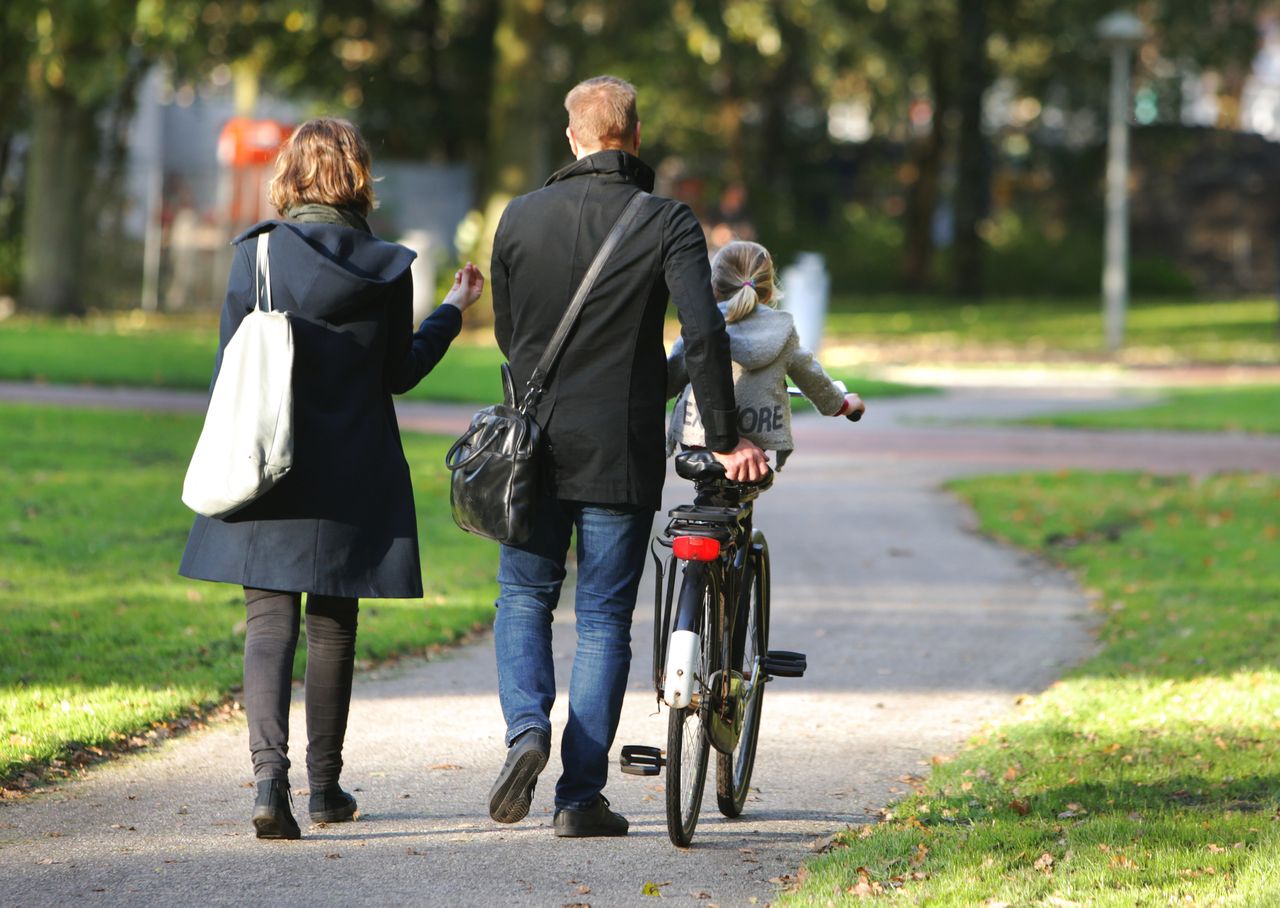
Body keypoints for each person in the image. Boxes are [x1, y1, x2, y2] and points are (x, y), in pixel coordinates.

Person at [178, 118, 483, 840]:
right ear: (357, 175)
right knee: (334, 623)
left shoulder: (256, 254)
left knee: (267, 620)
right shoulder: (384, 264)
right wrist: (451, 311)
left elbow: (232, 367)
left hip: (266, 459)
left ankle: (266, 781)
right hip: (352, 464)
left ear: (292, 173)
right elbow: (399, 372)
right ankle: (324, 788)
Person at [487, 75, 767, 838]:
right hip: (620, 445)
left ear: (573, 138)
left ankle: (526, 733)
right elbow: (704, 335)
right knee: (604, 615)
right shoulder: (666, 219)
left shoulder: (517, 217)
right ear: (635, 136)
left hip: (532, 447)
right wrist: (726, 433)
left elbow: (512, 341)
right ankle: (579, 799)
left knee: (523, 596)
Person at [667, 240, 865, 464]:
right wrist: (843, 404)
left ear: (713, 288)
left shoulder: (702, 326)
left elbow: (670, 379)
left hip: (697, 436)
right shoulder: (782, 331)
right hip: (758, 435)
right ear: (769, 292)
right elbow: (812, 378)